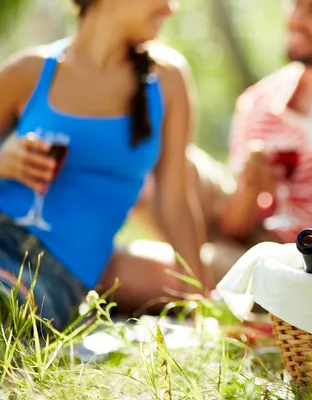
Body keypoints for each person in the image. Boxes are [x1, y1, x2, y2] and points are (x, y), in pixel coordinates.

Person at [119, 0, 312, 301]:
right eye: (295, 5)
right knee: (143, 158)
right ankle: (203, 276)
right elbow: (235, 225)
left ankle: (205, 278)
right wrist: (251, 189)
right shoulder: (260, 101)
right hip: (254, 234)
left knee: (124, 270)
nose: (297, 18)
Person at [0, 0, 208, 330]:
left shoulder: (166, 81)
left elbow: (176, 205)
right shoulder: (27, 71)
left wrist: (202, 306)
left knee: (8, 308)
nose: (171, 9)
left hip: (56, 276)